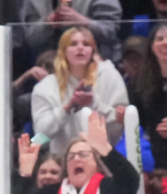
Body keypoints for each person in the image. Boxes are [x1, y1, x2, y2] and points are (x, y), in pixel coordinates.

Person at [31, 26, 128, 157]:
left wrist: (94, 104)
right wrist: (67, 108)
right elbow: (41, 135)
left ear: (93, 51)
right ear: (63, 51)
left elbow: (120, 125)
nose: (80, 48)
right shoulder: (45, 87)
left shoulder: (110, 76)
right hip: (61, 159)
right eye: (73, 44)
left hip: (102, 158)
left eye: (86, 44)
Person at [128, 24, 167, 172]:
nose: (165, 42)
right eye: (160, 38)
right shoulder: (141, 82)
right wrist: (126, 116)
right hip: (156, 158)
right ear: (152, 47)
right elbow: (140, 123)